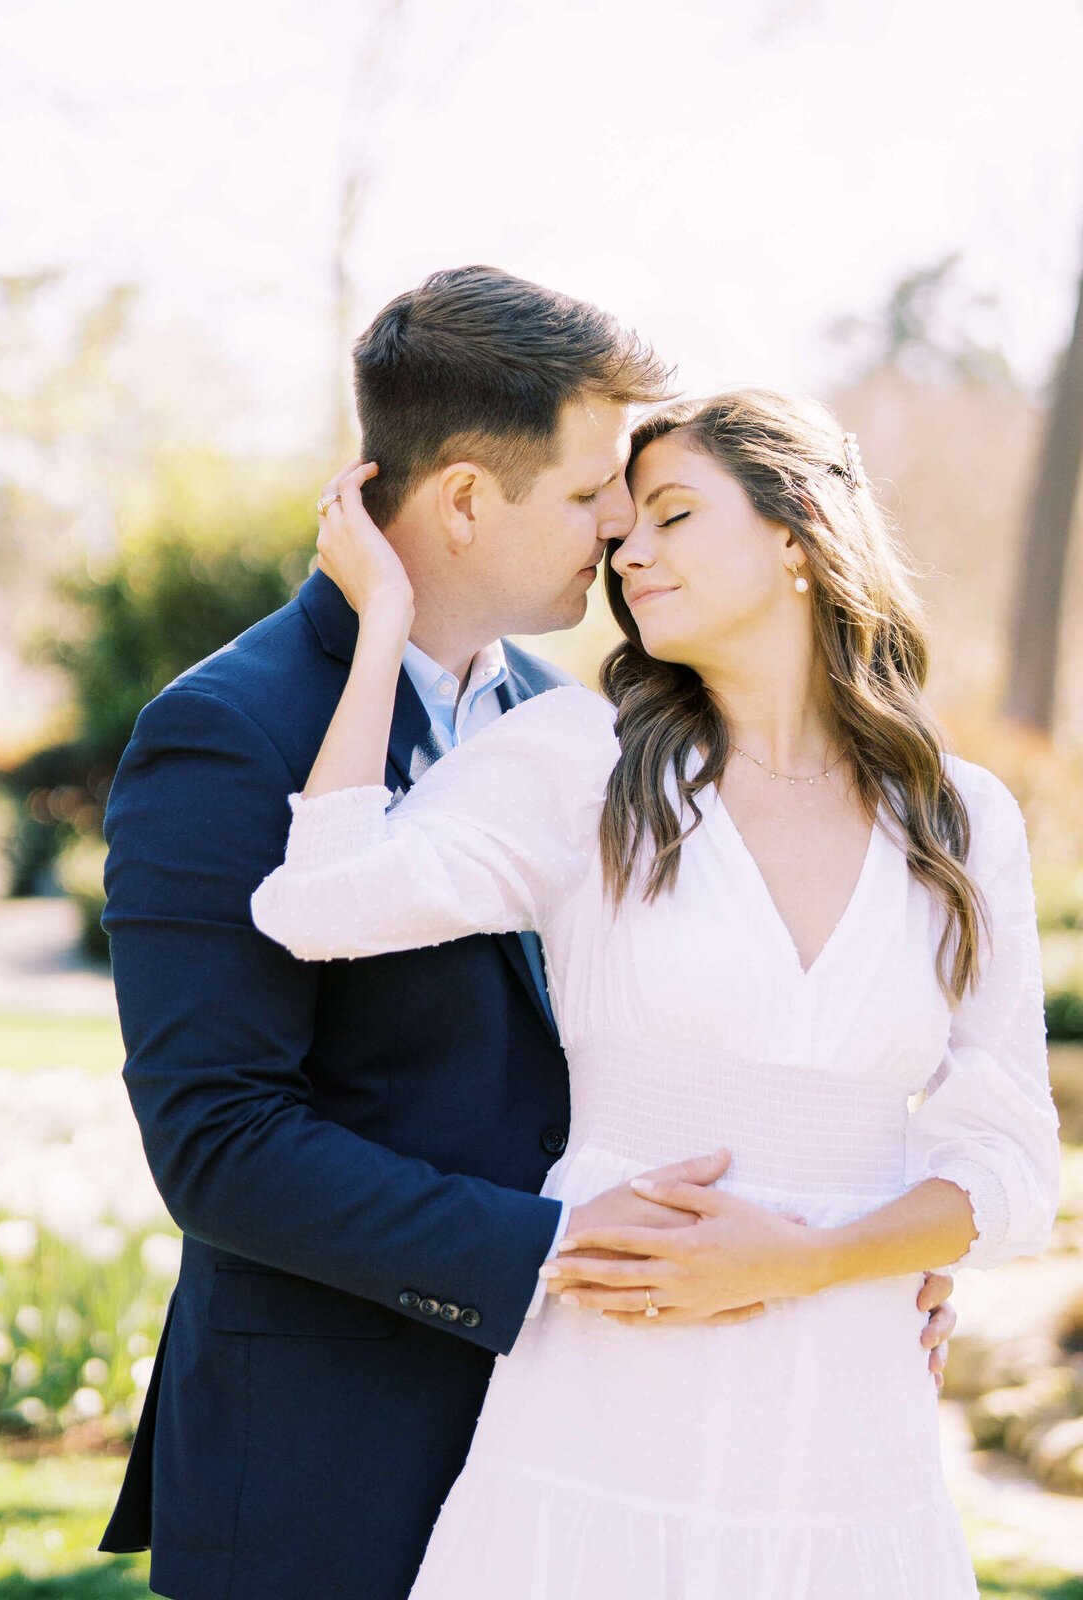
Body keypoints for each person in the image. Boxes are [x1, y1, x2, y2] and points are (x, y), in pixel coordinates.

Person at [98, 266, 957, 1600]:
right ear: (461, 502)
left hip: (597, 1445)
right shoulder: (227, 731)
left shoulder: (598, 728)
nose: (622, 525)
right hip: (338, 1458)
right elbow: (220, 1144)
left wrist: (845, 1252)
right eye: (590, 489)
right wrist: (560, 1248)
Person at [250, 388, 1061, 1598]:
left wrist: (807, 1257)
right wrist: (387, 627)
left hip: (846, 1428)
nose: (629, 549)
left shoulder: (959, 817)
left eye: (673, 514)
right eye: (624, 526)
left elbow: (1009, 1166)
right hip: (607, 1406)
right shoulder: (585, 762)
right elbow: (318, 902)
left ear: (798, 533)